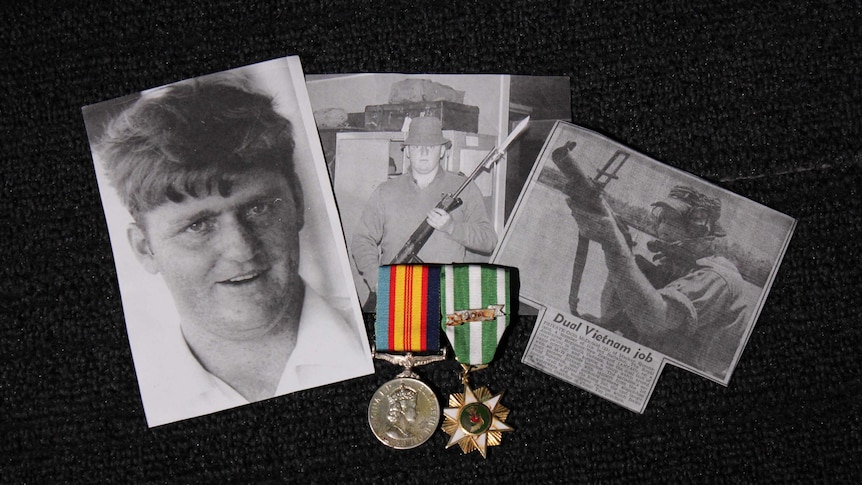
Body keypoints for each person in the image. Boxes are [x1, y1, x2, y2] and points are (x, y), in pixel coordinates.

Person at [96, 74, 369, 425]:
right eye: (198, 225)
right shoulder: (150, 394)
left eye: (259, 209)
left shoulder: (383, 338)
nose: (241, 250)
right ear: (145, 249)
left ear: (298, 203)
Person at [565, 168, 750, 379]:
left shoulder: (718, 277)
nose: (662, 228)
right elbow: (619, 308)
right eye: (661, 219)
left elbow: (653, 321)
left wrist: (615, 246)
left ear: (699, 228)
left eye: (671, 221)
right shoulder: (675, 263)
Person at [350, 117, 498, 299]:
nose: (424, 151)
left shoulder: (465, 188)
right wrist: (376, 278)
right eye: (417, 146)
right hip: (396, 294)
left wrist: (452, 228)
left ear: (443, 151)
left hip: (444, 296)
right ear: (408, 151)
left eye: (431, 146)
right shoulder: (385, 191)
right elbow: (362, 239)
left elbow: (488, 240)